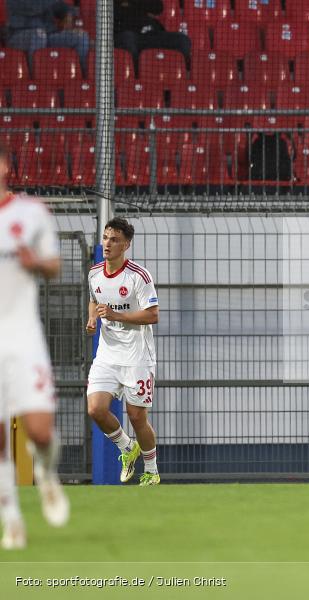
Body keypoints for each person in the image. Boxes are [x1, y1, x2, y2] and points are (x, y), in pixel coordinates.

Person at [0, 143, 69, 550]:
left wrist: (35, 263)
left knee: (40, 431)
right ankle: (12, 520)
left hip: (23, 335)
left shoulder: (32, 212)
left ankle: (46, 471)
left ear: (6, 165)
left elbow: (55, 266)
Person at [85, 217, 161, 487]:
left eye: (114, 239)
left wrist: (117, 315)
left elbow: (153, 315)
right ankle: (127, 447)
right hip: (107, 355)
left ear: (126, 245)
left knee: (137, 416)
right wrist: (93, 319)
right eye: (106, 238)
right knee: (95, 409)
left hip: (137, 357)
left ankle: (151, 471)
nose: (107, 243)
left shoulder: (138, 276)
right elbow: (94, 301)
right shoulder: (94, 273)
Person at [6, 0, 90, 73]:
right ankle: (35, 82)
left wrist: (68, 13)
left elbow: (60, 6)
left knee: (81, 37)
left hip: (49, 35)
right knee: (38, 36)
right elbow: (33, 7)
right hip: (19, 36)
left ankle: (83, 82)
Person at [114, 0, 191, 71]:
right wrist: (142, 9)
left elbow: (157, 7)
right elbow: (116, 11)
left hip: (152, 33)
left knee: (183, 40)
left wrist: (132, 5)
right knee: (129, 39)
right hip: (132, 35)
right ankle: (137, 77)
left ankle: (179, 76)